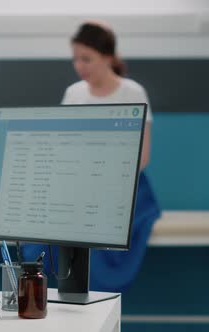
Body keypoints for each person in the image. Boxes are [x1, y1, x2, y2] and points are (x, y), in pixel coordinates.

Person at [23, 22, 161, 292]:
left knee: (94, 234)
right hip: (78, 186)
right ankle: (49, 299)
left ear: (107, 57)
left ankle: (91, 304)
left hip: (125, 189)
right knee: (44, 233)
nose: (79, 66)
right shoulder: (74, 94)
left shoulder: (132, 92)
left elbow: (142, 156)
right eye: (75, 59)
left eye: (87, 59)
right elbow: (63, 148)